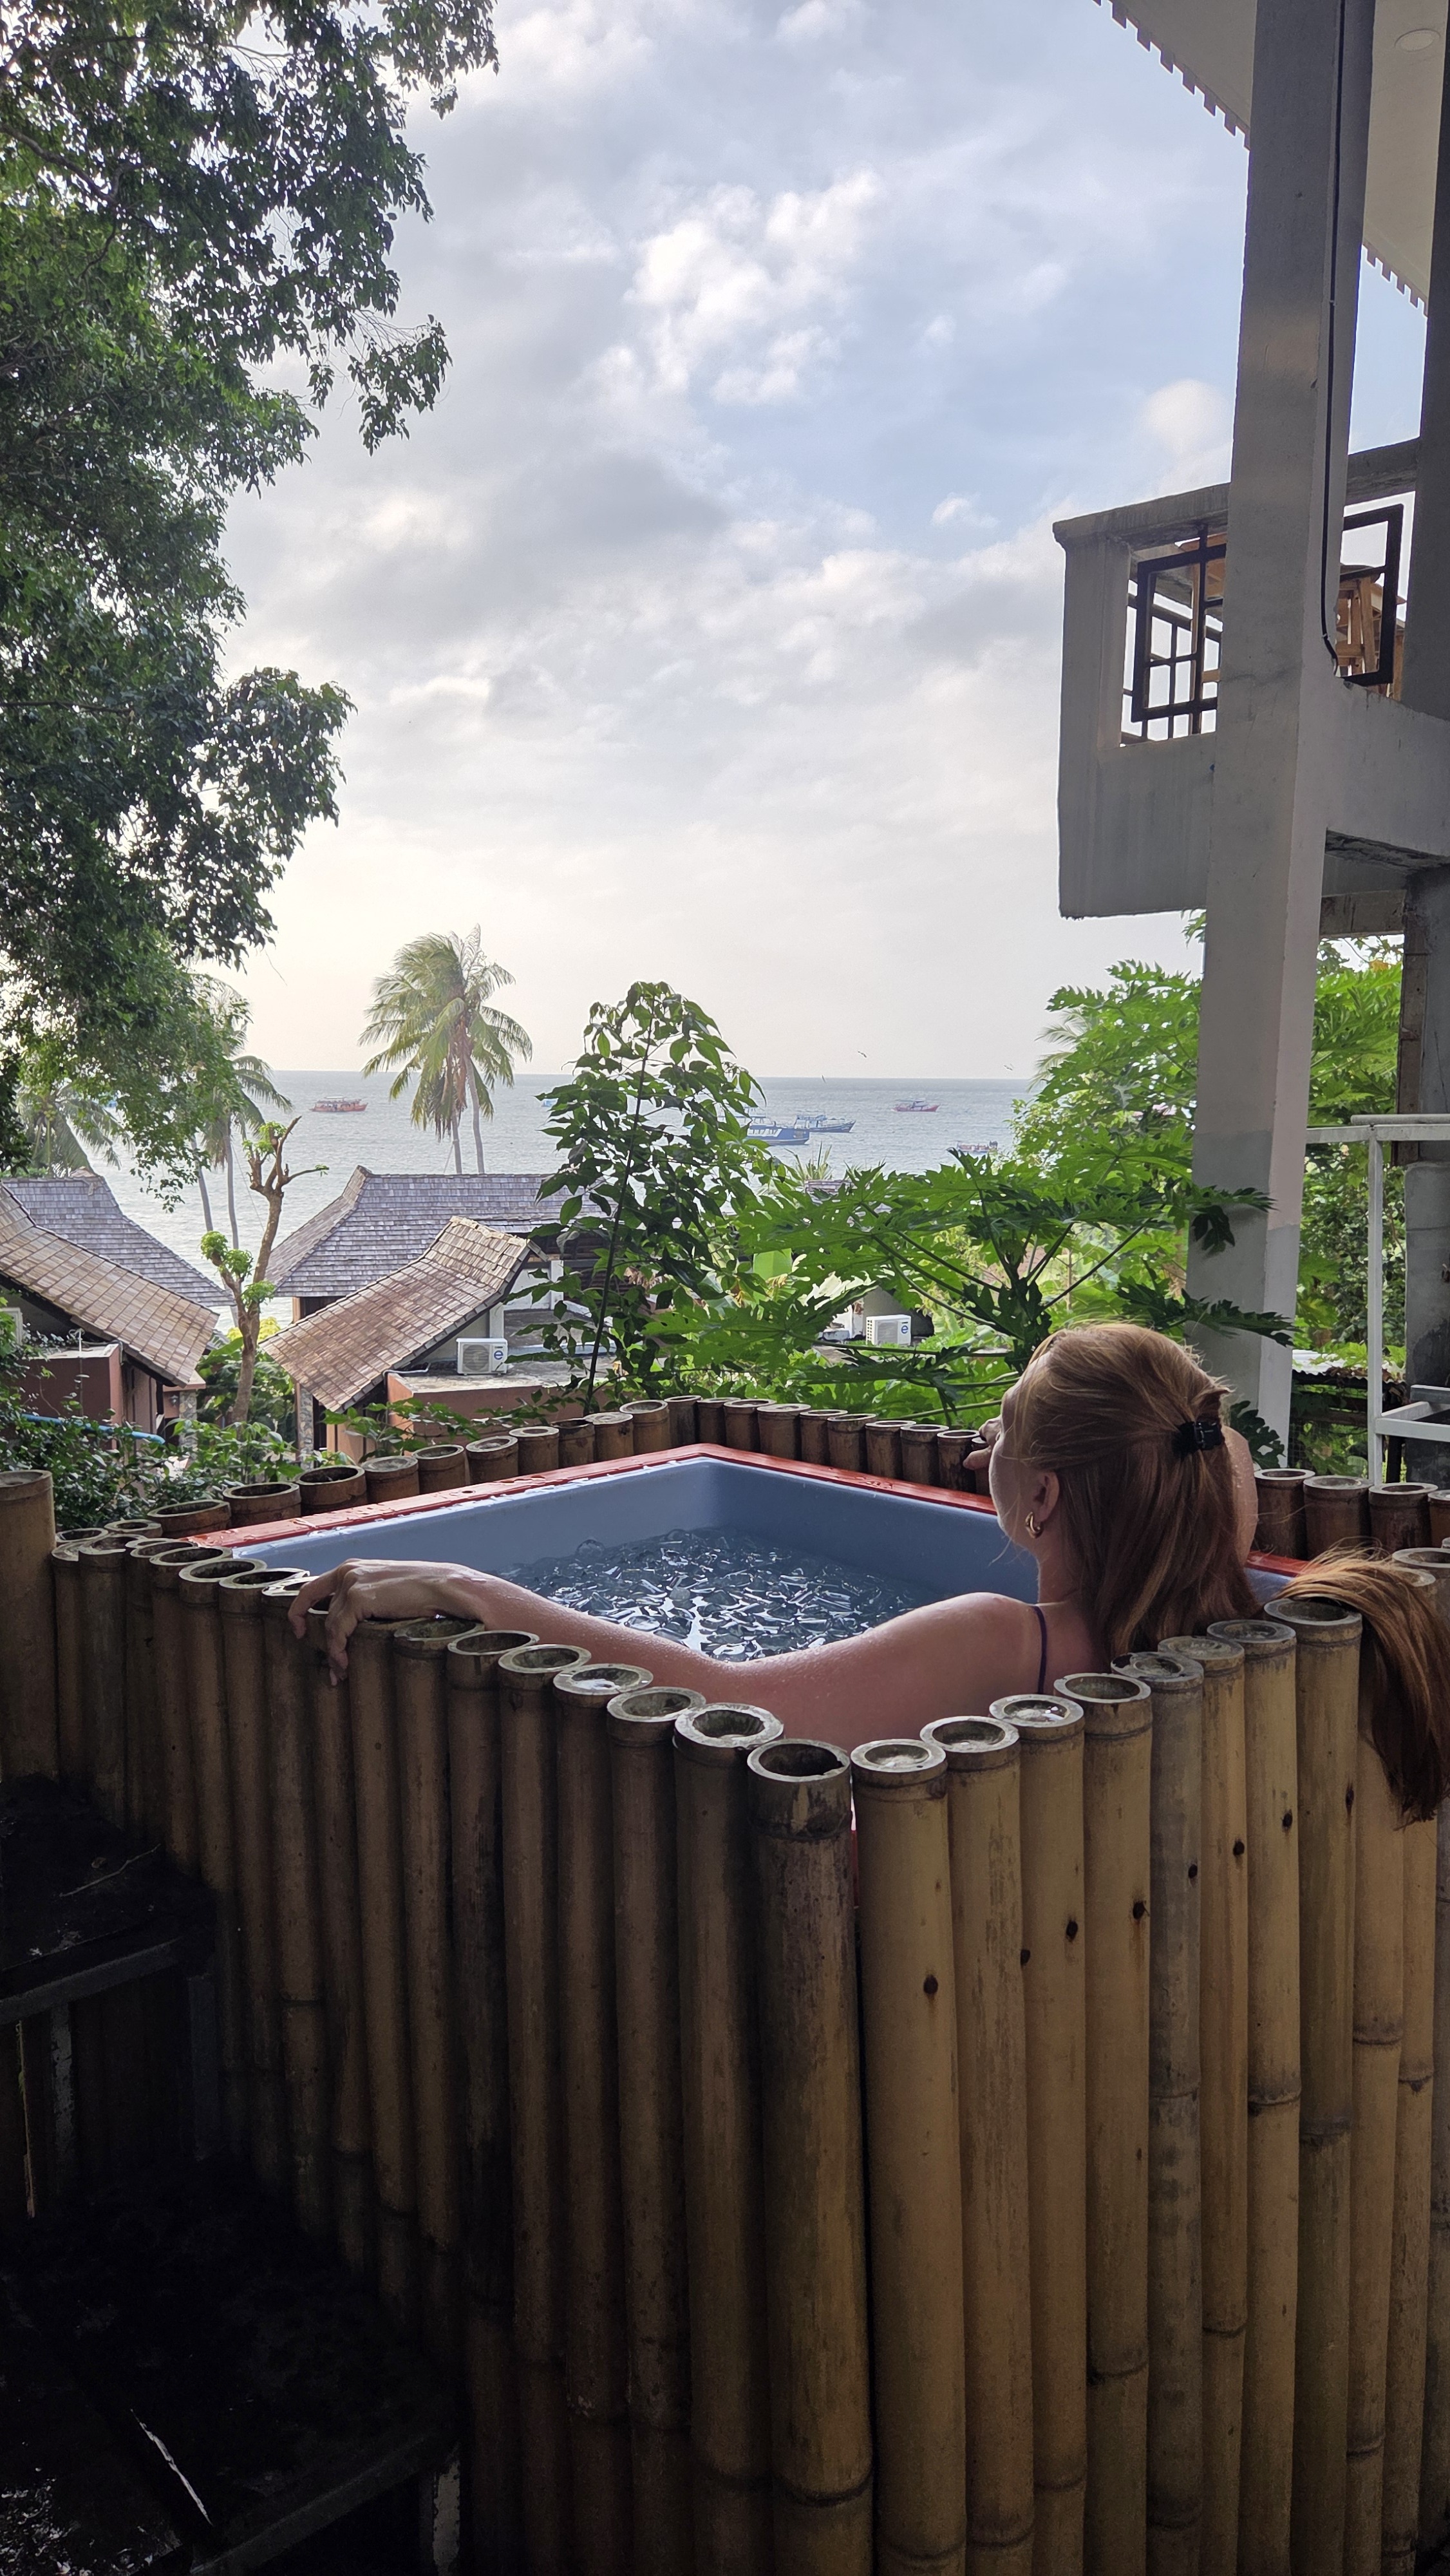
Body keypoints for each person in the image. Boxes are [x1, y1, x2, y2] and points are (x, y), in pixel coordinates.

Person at [290, 1321, 1268, 1751]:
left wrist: (471, 1586)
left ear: (1045, 1498)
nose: (980, 1450)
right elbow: (1200, 1438)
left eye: (1001, 1427)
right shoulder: (1215, 1562)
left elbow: (737, 1703)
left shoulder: (1012, 1642)